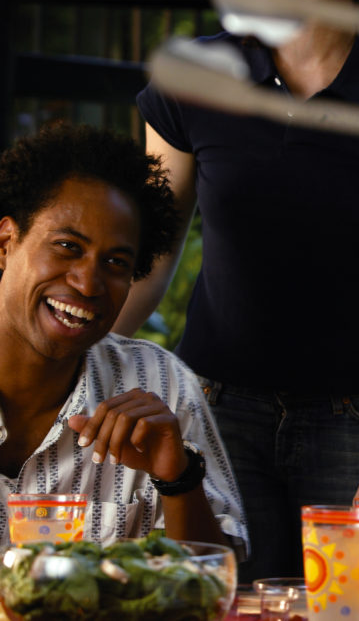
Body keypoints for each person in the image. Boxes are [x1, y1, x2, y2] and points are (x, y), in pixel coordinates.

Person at [118, 0, 359, 579]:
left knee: (356, 609)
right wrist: (53, 366)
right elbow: (149, 253)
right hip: (214, 413)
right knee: (221, 607)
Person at [0, 122, 247, 552]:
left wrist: (179, 478)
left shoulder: (161, 385)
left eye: (115, 262)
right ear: (6, 242)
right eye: (67, 246)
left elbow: (214, 582)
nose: (88, 283)